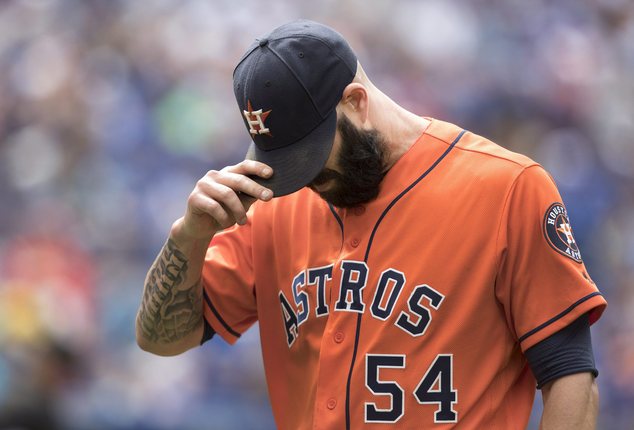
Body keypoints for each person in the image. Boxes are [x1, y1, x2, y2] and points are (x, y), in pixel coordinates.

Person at [136, 20, 607, 429]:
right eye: (290, 164)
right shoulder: (273, 203)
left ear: (357, 101)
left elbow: (570, 377)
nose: (308, 181)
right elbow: (159, 338)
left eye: (314, 158)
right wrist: (190, 237)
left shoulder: (506, 188)